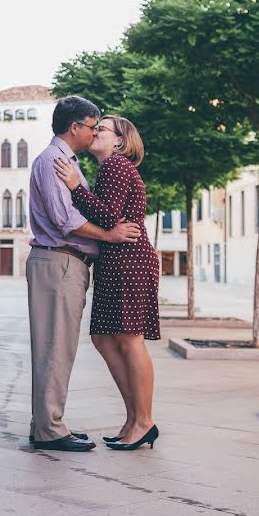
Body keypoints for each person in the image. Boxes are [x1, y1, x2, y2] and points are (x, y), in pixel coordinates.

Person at [27, 96, 141, 452]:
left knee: (55, 347)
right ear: (75, 127)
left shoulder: (71, 164)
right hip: (59, 261)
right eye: (93, 126)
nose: (94, 134)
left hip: (64, 263)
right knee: (55, 348)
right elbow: (66, 220)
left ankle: (45, 423)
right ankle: (50, 429)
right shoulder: (54, 161)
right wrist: (109, 235)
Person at [54, 114, 161, 451]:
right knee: (102, 337)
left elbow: (108, 216)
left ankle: (144, 421)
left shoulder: (116, 165)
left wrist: (74, 187)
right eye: (95, 127)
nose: (96, 131)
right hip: (116, 260)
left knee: (131, 340)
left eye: (103, 128)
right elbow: (109, 216)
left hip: (129, 259)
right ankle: (134, 417)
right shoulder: (110, 169)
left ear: (120, 140)